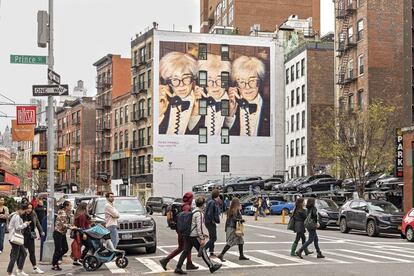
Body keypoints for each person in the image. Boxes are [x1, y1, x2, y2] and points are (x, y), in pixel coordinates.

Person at [174, 197, 222, 275]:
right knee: (203, 251)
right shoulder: (199, 213)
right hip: (194, 236)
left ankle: (178, 267)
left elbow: (194, 225)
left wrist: (202, 234)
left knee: (185, 251)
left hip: (189, 235)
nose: (205, 205)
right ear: (202, 204)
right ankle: (211, 266)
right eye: (204, 203)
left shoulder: (193, 211)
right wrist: (202, 237)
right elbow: (199, 227)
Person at [158, 51, 202, 135]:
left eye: (186, 78)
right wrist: (159, 115)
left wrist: (195, 114)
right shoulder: (162, 103)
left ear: (193, 79)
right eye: (175, 79)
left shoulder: (202, 103)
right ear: (167, 82)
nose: (181, 85)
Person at [189, 54, 232, 135]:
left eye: (219, 79)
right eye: (209, 80)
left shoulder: (235, 103)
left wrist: (230, 117)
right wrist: (195, 111)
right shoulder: (195, 101)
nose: (214, 85)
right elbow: (188, 132)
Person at [227, 56, 270, 136]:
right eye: (242, 82)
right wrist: (230, 116)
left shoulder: (270, 108)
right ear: (235, 85)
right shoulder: (230, 108)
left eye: (252, 80)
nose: (247, 87)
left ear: (260, 81)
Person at [159, 192, 198, 271]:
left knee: (186, 247)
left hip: (179, 229)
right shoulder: (186, 207)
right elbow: (186, 220)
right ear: (190, 199)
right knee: (183, 248)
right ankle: (166, 260)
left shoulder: (182, 205)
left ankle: (189, 263)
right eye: (191, 198)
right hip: (183, 231)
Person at [217, 197, 249, 262]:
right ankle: (221, 254)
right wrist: (241, 220)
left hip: (232, 227)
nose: (240, 203)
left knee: (241, 241)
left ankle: (241, 255)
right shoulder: (234, 210)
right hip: (232, 228)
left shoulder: (232, 209)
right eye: (239, 202)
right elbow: (234, 219)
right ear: (236, 203)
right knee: (230, 242)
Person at [7, 204, 30, 276]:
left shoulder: (14, 215)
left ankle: (19, 270)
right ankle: (10, 272)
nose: (24, 212)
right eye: (24, 211)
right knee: (15, 256)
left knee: (24, 253)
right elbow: (17, 227)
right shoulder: (16, 216)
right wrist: (26, 224)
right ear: (21, 209)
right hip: (15, 238)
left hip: (16, 238)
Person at [21, 203, 44, 274]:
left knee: (32, 252)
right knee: (23, 253)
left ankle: (35, 267)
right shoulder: (22, 215)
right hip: (23, 235)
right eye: (28, 208)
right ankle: (20, 269)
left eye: (31, 208)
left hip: (31, 235)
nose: (29, 209)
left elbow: (37, 223)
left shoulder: (33, 214)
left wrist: (41, 231)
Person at [52, 201, 72, 271]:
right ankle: (55, 264)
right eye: (70, 206)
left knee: (65, 248)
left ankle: (55, 261)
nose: (71, 207)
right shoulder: (63, 213)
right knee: (58, 249)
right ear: (66, 206)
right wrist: (71, 227)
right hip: (58, 233)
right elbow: (64, 224)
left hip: (62, 233)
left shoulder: (65, 212)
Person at [204, 189, 221, 257]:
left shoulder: (212, 201)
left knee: (212, 237)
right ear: (217, 195)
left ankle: (211, 252)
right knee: (214, 238)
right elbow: (209, 213)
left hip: (209, 221)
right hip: (210, 222)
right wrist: (212, 220)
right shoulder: (212, 202)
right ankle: (203, 249)